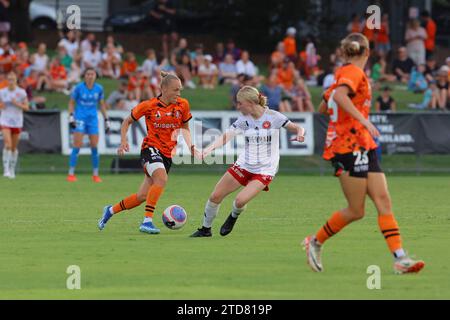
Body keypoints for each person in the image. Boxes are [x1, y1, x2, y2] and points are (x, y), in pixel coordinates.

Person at [302, 33, 425, 275]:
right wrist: (361, 120)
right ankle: (315, 242)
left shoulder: (342, 75)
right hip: (348, 148)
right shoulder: (354, 73)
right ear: (367, 53)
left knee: (383, 201)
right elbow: (338, 97)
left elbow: (324, 107)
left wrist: (343, 112)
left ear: (344, 52)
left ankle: (400, 259)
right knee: (356, 210)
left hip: (363, 145)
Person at [190, 85, 305, 237]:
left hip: (265, 169)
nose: (237, 106)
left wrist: (300, 133)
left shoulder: (273, 116)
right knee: (215, 196)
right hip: (244, 164)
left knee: (239, 201)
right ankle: (205, 230)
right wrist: (208, 150)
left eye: (240, 103)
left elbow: (297, 127)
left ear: (250, 103)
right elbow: (226, 136)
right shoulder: (244, 120)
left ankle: (233, 216)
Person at [98, 71, 200, 234]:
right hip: (150, 148)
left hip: (167, 155)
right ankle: (147, 221)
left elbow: (185, 128)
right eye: (176, 90)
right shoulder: (149, 105)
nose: (179, 93)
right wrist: (123, 140)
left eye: (180, 90)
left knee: (142, 196)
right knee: (161, 178)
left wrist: (191, 146)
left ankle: (110, 211)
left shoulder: (183, 105)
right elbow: (127, 121)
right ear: (164, 89)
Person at [67, 68, 110, 183]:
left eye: (92, 74)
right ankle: (71, 173)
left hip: (93, 120)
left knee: (94, 146)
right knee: (77, 144)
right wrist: (71, 117)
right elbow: (71, 102)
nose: (90, 76)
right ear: (84, 76)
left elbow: (101, 105)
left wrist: (106, 120)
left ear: (95, 76)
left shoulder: (99, 88)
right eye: (88, 74)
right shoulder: (78, 88)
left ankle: (95, 174)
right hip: (80, 118)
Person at [0, 71, 29, 179]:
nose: (11, 81)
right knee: (7, 144)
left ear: (16, 80)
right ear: (7, 81)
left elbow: (27, 107)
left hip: (17, 121)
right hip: (5, 121)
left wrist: (16, 103)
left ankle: (12, 169)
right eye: (9, 79)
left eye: (13, 79)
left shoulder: (21, 92)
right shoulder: (2, 92)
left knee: (13, 147)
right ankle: (6, 169)